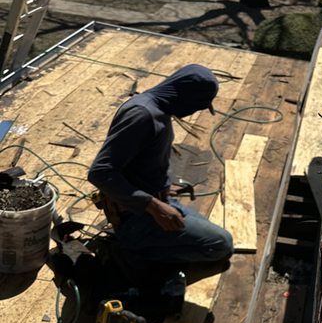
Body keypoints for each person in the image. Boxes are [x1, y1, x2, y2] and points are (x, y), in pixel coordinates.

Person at [88, 64, 233, 271]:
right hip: (135, 216)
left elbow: (141, 159)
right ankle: (127, 248)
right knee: (220, 245)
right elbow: (100, 172)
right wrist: (155, 206)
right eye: (196, 106)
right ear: (185, 98)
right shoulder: (142, 115)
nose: (193, 112)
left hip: (156, 201)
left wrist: (159, 185)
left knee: (219, 240)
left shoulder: (158, 109)